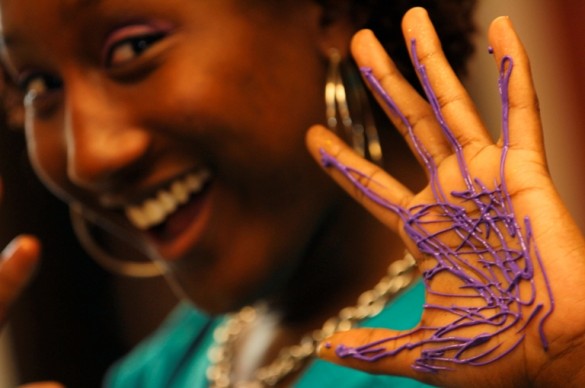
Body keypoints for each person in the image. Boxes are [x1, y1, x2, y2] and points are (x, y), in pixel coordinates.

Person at [1, 1, 584, 388]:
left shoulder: (503, 346)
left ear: (327, 11)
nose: (89, 155)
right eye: (38, 85)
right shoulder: (152, 374)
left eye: (132, 49)